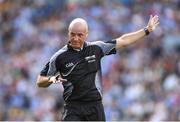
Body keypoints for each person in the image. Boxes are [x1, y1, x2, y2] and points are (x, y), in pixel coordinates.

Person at [36, 15, 159, 121]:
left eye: (80, 35)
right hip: (73, 107)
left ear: (86, 35)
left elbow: (122, 41)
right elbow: (40, 81)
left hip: (95, 106)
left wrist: (146, 30)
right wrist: (51, 79)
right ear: (68, 33)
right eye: (72, 34)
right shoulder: (59, 56)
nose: (75, 38)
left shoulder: (96, 48)